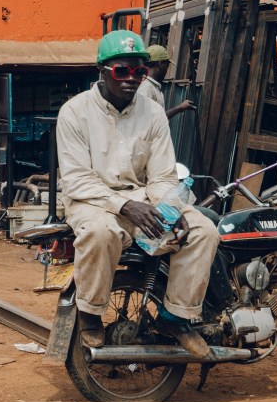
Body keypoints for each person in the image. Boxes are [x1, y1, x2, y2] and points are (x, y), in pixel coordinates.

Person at [55, 30, 219, 357]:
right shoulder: (74, 112)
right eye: (122, 71)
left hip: (142, 198)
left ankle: (175, 318)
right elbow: (77, 180)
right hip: (91, 200)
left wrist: (172, 208)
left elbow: (162, 175)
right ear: (102, 71)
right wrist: (125, 205)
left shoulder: (153, 113)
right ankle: (90, 313)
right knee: (100, 233)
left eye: (139, 71)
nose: (131, 79)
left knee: (203, 230)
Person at [136, 44, 196, 119]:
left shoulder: (153, 86)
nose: (166, 70)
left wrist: (180, 108)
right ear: (160, 64)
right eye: (167, 66)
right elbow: (141, 121)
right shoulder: (146, 88)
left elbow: (159, 119)